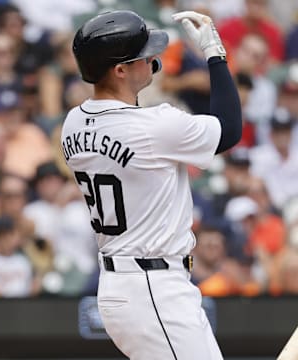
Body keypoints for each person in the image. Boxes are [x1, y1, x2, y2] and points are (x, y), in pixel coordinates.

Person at [61, 10, 241, 360]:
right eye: (144, 56)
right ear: (120, 70)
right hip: (153, 287)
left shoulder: (73, 121)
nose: (153, 60)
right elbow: (229, 128)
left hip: (121, 284)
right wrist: (215, 56)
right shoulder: (155, 125)